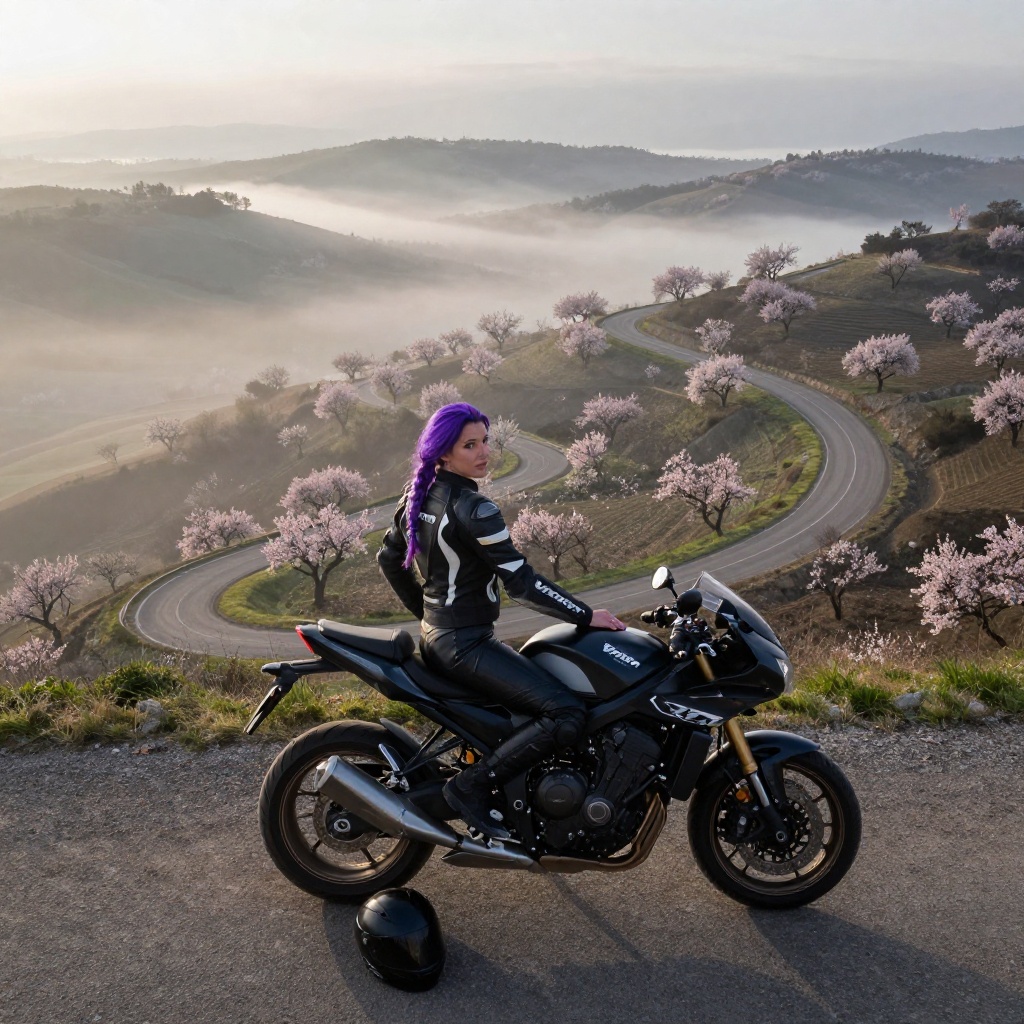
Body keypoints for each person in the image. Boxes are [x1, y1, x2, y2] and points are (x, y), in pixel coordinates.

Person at [378, 402, 625, 839]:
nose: (483, 452)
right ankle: (468, 789)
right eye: (469, 445)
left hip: (439, 638)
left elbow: (388, 557)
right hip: (465, 644)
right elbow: (521, 582)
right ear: (444, 453)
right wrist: (587, 615)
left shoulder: (418, 497)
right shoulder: (475, 509)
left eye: (485, 441)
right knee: (566, 711)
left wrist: (427, 615)